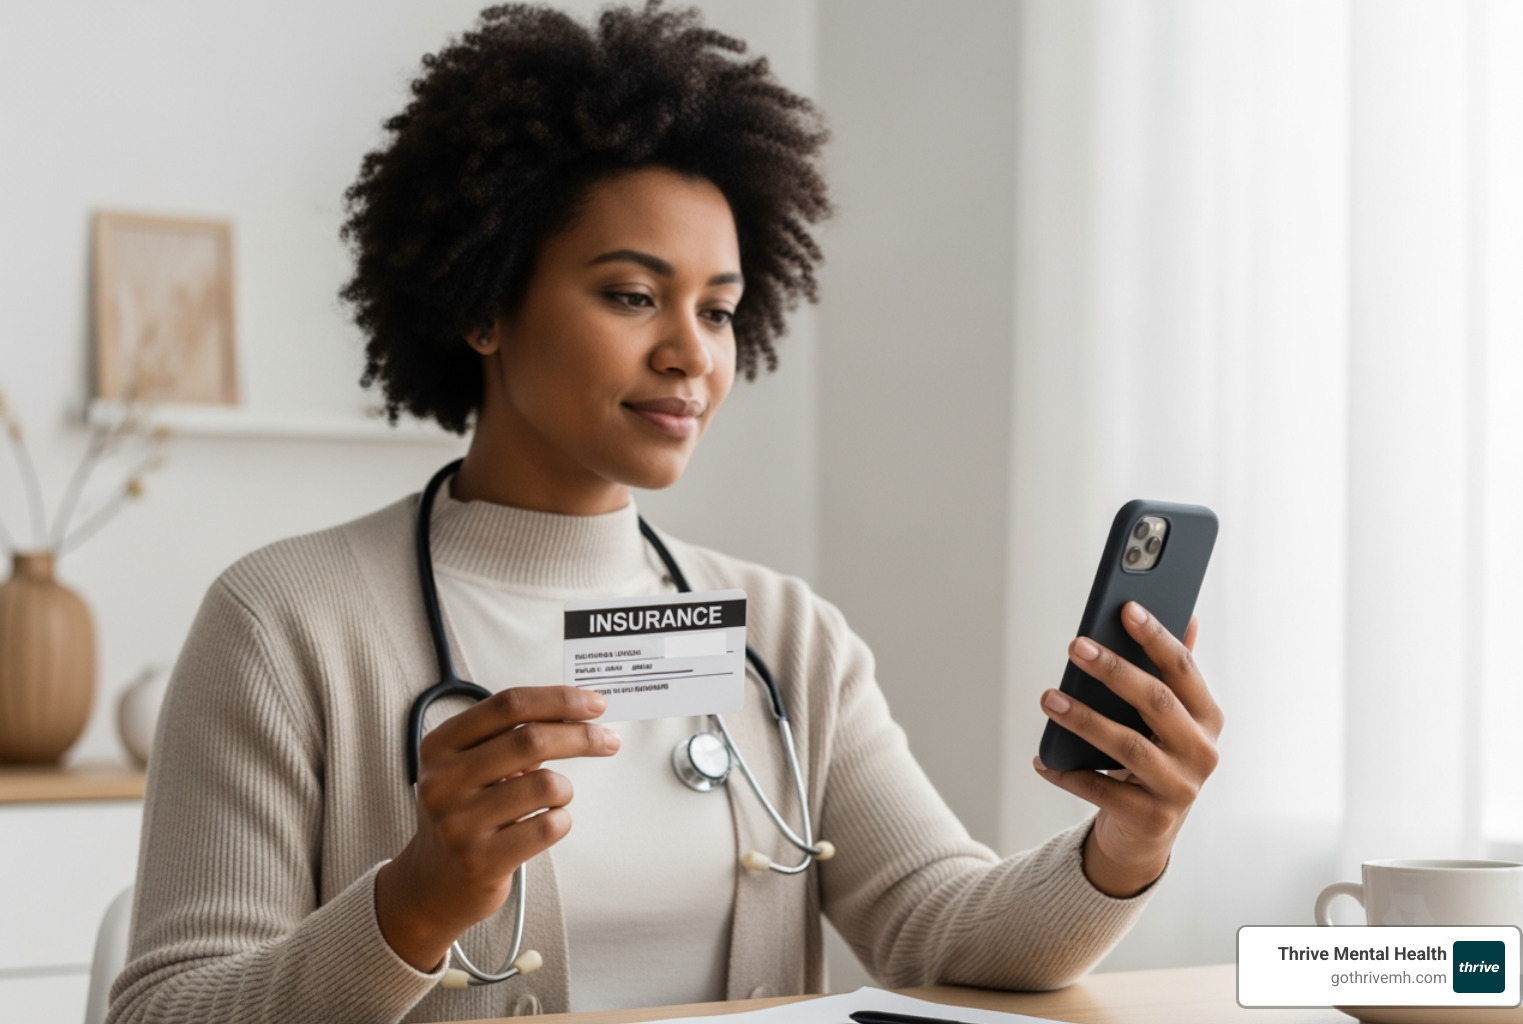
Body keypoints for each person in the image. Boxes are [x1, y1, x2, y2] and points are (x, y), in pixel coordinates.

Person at [107, 4, 1223, 1023]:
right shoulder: (284, 624)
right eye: (633, 296)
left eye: (722, 309)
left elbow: (940, 920)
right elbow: (164, 1009)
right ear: (486, 303)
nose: (692, 354)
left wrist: (1123, 845)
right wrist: (410, 902)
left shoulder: (783, 635)